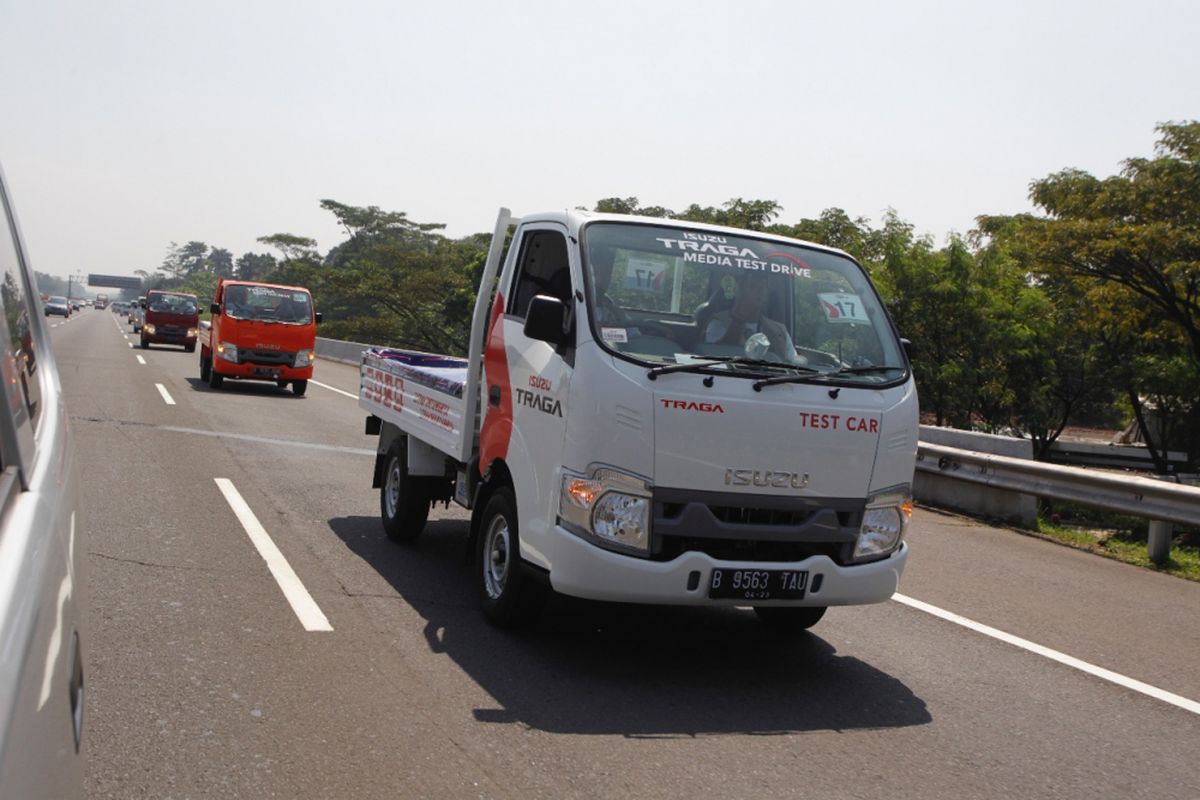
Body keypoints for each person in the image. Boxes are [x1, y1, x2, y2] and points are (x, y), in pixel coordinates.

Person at [704, 270, 805, 364]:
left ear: (767, 295)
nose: (759, 292)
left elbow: (793, 363)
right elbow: (716, 358)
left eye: (762, 287)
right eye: (752, 287)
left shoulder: (779, 331)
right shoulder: (718, 323)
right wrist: (739, 317)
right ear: (738, 291)